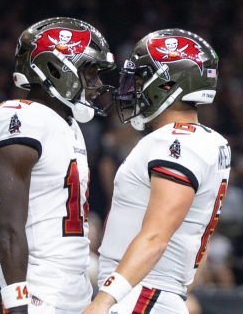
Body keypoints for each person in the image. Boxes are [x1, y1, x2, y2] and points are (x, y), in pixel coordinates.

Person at [83, 29, 231, 314]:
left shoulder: (175, 142)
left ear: (166, 84)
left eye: (140, 78)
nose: (132, 87)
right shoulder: (209, 141)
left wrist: (103, 301)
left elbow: (155, 237)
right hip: (154, 293)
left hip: (141, 294)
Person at [0, 17, 116, 314]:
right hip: (32, 286)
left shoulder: (67, 124)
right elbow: (9, 227)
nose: (96, 85)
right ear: (56, 69)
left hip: (72, 287)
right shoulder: (20, 117)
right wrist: (18, 302)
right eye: (88, 73)